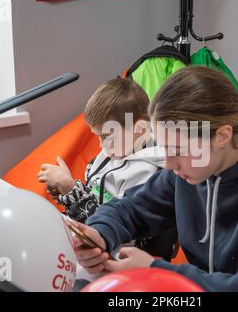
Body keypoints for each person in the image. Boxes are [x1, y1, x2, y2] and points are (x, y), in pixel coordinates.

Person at [70, 66, 238, 291]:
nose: (168, 163)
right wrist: (100, 233)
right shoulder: (193, 170)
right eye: (164, 149)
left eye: (178, 151)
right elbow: (132, 208)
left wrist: (158, 272)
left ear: (222, 136)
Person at [37, 78, 177, 261]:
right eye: (98, 137)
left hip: (121, 262)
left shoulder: (148, 173)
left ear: (140, 128)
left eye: (107, 136)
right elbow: (95, 193)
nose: (102, 146)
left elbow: (120, 238)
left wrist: (72, 191)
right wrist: (66, 193)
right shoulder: (118, 148)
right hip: (87, 239)